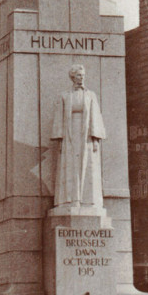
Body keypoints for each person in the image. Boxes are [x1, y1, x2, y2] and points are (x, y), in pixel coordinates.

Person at [51, 64, 106, 209]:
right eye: (78, 75)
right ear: (72, 77)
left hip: (86, 133)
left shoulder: (90, 95)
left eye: (83, 75)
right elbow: (59, 118)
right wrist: (60, 139)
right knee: (70, 165)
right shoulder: (64, 95)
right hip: (70, 134)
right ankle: (69, 200)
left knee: (87, 164)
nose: (81, 78)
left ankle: (88, 200)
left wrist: (95, 139)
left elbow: (95, 116)